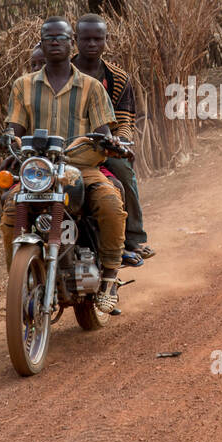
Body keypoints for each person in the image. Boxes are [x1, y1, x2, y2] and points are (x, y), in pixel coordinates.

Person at [2, 17, 128, 314]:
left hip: (80, 167)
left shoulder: (92, 87)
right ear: (41, 43)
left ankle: (110, 279)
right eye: (49, 38)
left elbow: (104, 130)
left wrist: (110, 142)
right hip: (37, 170)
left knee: (110, 202)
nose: (55, 42)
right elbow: (14, 128)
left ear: (71, 42)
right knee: (10, 208)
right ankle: (19, 282)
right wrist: (7, 140)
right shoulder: (22, 86)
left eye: (61, 38)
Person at [72, 13, 154, 267]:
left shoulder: (117, 78)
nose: (92, 44)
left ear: (107, 40)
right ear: (76, 40)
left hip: (103, 143)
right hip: (68, 145)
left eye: (98, 39)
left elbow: (125, 117)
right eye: (86, 39)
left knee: (123, 173)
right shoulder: (64, 73)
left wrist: (119, 143)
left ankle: (133, 237)